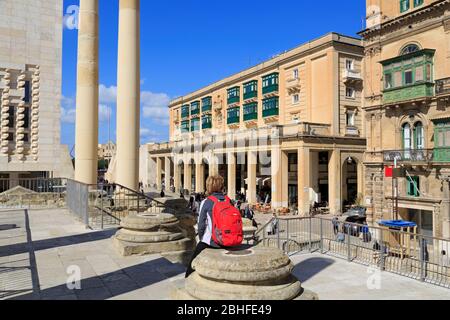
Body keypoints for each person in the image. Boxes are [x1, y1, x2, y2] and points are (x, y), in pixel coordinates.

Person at [185, 175, 227, 278]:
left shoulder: (206, 202)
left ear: (209, 187)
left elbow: (201, 226)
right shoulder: (228, 200)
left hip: (212, 242)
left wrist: (201, 239)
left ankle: (188, 279)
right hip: (228, 239)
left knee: (192, 265)